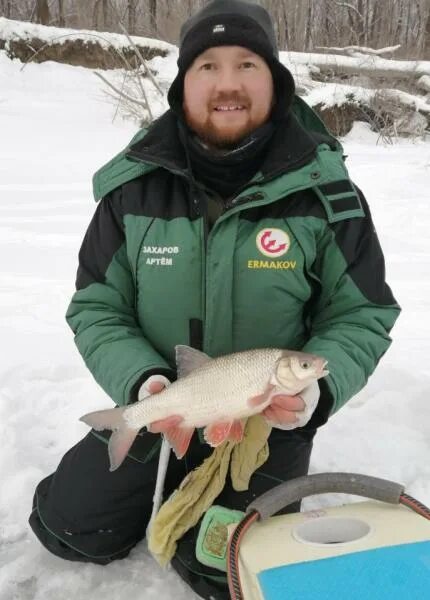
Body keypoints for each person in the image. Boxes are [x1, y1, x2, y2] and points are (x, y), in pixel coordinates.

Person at [29, 0, 401, 598]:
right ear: (184, 84)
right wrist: (144, 384)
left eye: (247, 64)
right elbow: (96, 308)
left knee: (218, 571)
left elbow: (362, 314)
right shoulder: (132, 191)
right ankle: (156, 455)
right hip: (169, 400)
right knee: (70, 531)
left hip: (263, 421)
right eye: (207, 66)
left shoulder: (326, 194)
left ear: (275, 82)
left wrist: (314, 391)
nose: (227, 84)